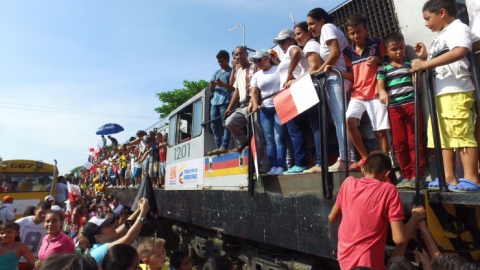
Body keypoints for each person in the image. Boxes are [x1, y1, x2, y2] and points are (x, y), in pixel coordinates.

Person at [411, 0, 480, 191]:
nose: (426, 23)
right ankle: (449, 177)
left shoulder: (458, 28)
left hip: (456, 90)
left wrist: (424, 64)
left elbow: (460, 51)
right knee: (442, 135)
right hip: (441, 94)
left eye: (427, 18)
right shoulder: (442, 35)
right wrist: (426, 58)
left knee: (460, 133)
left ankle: (472, 178)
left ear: (441, 13)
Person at [328, 151, 425, 270]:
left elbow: (332, 217)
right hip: (367, 265)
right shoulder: (388, 190)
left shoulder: (348, 182)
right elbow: (398, 238)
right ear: (387, 174)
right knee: (402, 241)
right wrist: (415, 216)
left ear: (363, 169)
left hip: (344, 260)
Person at [307, 8, 356, 172]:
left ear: (322, 20)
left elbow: (334, 53)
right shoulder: (326, 32)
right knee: (341, 118)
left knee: (340, 119)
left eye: (312, 23)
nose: (310, 28)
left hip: (336, 78)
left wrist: (320, 71)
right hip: (336, 78)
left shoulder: (327, 28)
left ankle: (345, 158)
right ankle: (349, 157)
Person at [377, 32, 425, 188]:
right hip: (395, 109)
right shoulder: (383, 68)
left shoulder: (410, 63)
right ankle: (406, 174)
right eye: (394, 49)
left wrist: (418, 67)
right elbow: (380, 85)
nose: (399, 52)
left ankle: (418, 175)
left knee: (415, 141)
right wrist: (383, 92)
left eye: (402, 48)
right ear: (386, 51)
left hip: (412, 106)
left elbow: (417, 86)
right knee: (399, 144)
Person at [342, 13, 389, 170]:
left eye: (359, 31)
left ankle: (385, 164)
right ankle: (364, 158)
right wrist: (335, 72)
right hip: (357, 94)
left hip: (376, 93)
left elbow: (389, 62)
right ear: (348, 34)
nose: (356, 35)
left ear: (366, 30)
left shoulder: (376, 43)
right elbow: (352, 75)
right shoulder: (347, 51)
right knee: (349, 122)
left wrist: (378, 60)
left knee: (380, 132)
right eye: (352, 33)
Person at [274, 28, 311, 174]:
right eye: (279, 42)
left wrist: (289, 74)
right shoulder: (285, 55)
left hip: (292, 93)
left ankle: (301, 162)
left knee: (294, 130)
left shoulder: (292, 48)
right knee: (293, 131)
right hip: (287, 94)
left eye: (283, 41)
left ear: (291, 39)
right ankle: (299, 161)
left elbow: (296, 52)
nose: (281, 45)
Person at [293, 20, 326, 174]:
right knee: (315, 127)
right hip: (311, 88)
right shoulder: (309, 45)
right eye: (295, 35)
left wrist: (296, 80)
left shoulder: (310, 45)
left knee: (317, 127)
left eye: (299, 33)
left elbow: (315, 68)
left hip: (313, 88)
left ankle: (320, 162)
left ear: (308, 32)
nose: (297, 37)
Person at [249, 49, 286, 175]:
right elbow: (254, 92)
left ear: (266, 58)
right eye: (255, 61)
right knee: (269, 139)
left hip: (279, 105)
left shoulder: (278, 70)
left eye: (259, 60)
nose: (257, 63)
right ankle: (273, 166)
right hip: (264, 108)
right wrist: (255, 104)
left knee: (279, 137)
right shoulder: (256, 76)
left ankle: (281, 166)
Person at [85, 198, 149, 265]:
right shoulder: (99, 250)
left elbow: (126, 225)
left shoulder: (105, 240)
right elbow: (130, 238)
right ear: (98, 236)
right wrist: (143, 212)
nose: (113, 226)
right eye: (107, 226)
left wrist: (139, 210)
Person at [207, 50, 234, 156]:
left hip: (226, 101)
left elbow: (234, 88)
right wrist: (212, 85)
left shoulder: (232, 72)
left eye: (222, 61)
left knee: (225, 124)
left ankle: (224, 146)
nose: (220, 64)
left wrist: (223, 85)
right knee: (214, 124)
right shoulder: (216, 73)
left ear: (228, 60)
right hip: (215, 102)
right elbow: (212, 90)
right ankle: (218, 146)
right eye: (218, 62)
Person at [15, 201, 50, 270]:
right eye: (41, 212)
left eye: (46, 213)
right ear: (35, 211)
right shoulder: (22, 222)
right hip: (18, 259)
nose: (43, 215)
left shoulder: (48, 224)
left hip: (35, 260)